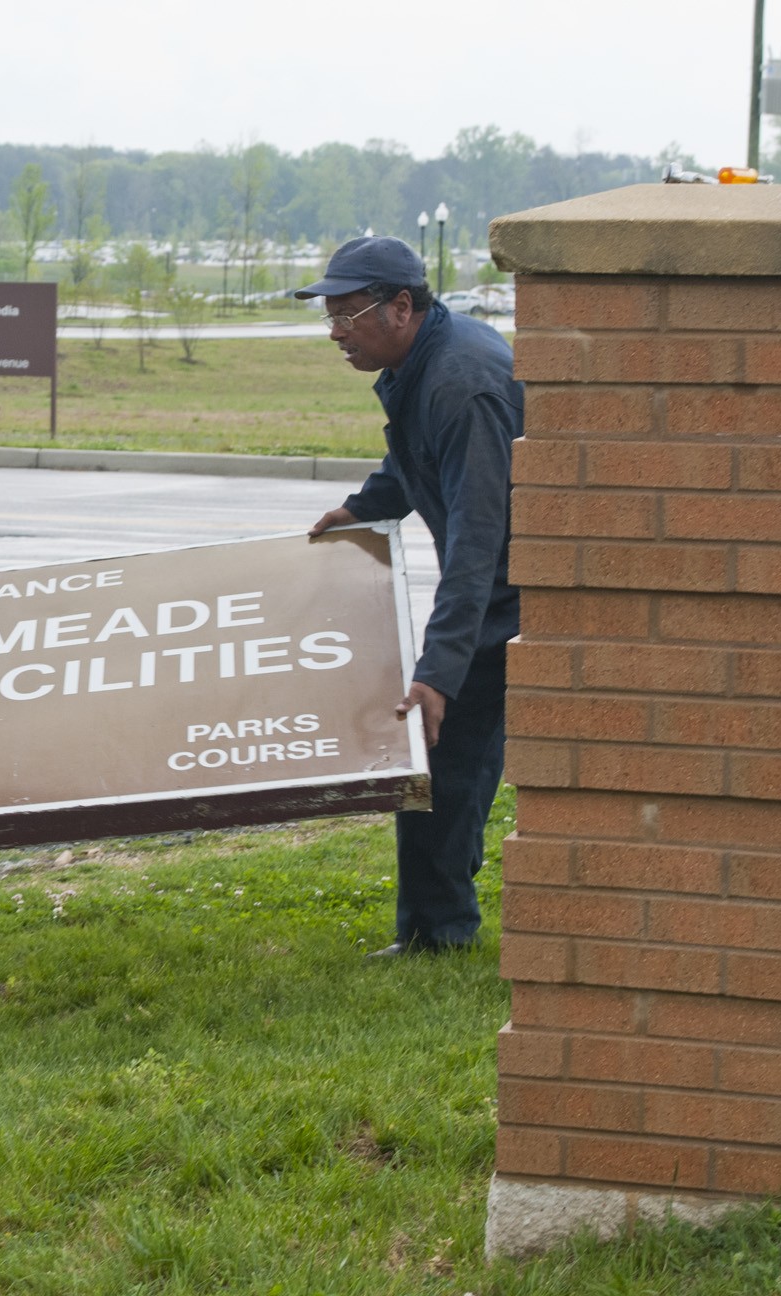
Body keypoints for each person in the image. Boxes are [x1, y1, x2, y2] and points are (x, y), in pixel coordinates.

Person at [298, 236, 524, 956]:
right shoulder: (424, 361)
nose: (335, 331)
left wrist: (437, 673)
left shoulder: (462, 383)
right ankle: (438, 923)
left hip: (517, 598)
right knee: (445, 764)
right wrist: (365, 506)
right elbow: (416, 458)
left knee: (436, 751)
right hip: (499, 588)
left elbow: (477, 545)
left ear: (402, 307)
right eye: (328, 315)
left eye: (346, 313)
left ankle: (439, 933)